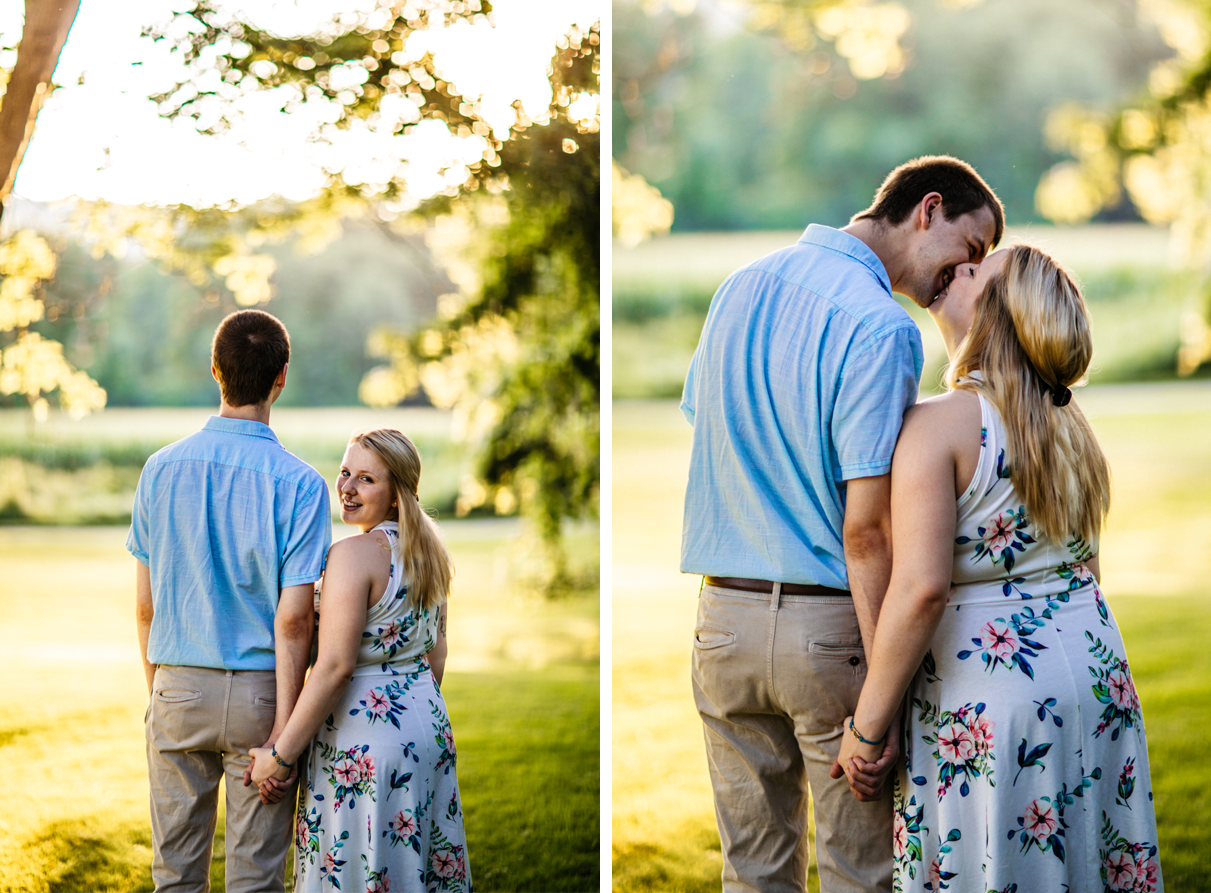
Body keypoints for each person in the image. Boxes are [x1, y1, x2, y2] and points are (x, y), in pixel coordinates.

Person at [681, 155, 1004, 893]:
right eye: (970, 248)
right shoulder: (882, 327)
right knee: (863, 871)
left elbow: (708, 428)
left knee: (752, 871)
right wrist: (878, 690)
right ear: (928, 209)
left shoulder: (738, 285)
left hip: (720, 622)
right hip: (828, 632)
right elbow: (866, 532)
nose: (965, 274)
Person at [836, 245, 1162, 891]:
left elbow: (920, 587)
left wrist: (866, 728)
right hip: (1096, 674)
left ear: (992, 314)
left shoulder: (936, 425)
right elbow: (1086, 568)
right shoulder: (1067, 422)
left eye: (973, 272)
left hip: (991, 693)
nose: (958, 268)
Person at [131, 309, 331, 893]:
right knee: (257, 878)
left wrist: (160, 692)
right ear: (282, 377)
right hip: (263, 696)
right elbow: (295, 619)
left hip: (177, 684)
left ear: (215, 369)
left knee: (175, 873)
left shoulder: (160, 470)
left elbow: (146, 608)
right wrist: (283, 734)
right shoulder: (302, 484)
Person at [248, 428, 471, 893]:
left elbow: (334, 667)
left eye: (366, 479)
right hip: (427, 732)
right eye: (345, 472)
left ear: (396, 495)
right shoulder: (431, 551)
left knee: (358, 869)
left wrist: (281, 755)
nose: (346, 488)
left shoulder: (351, 555)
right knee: (411, 869)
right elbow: (437, 653)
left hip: (363, 747)